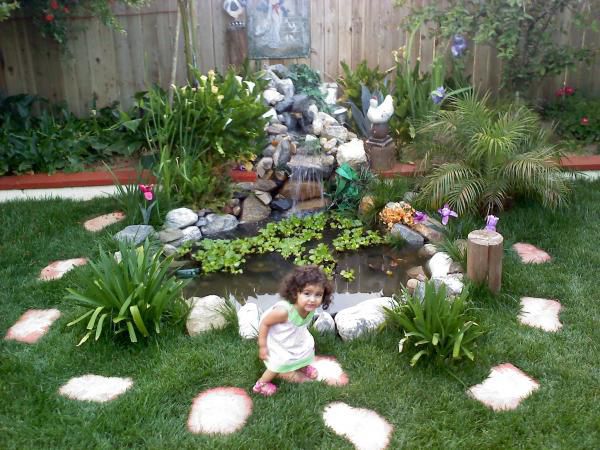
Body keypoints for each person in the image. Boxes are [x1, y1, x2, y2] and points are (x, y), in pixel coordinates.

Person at [252, 265, 333, 396]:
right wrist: (262, 346)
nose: (312, 299)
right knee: (279, 361)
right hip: (278, 338)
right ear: (296, 292)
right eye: (307, 293)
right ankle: (261, 384)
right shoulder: (284, 312)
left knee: (305, 348)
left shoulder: (309, 308)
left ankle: (302, 365)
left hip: (292, 335)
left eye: (318, 295)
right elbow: (265, 324)